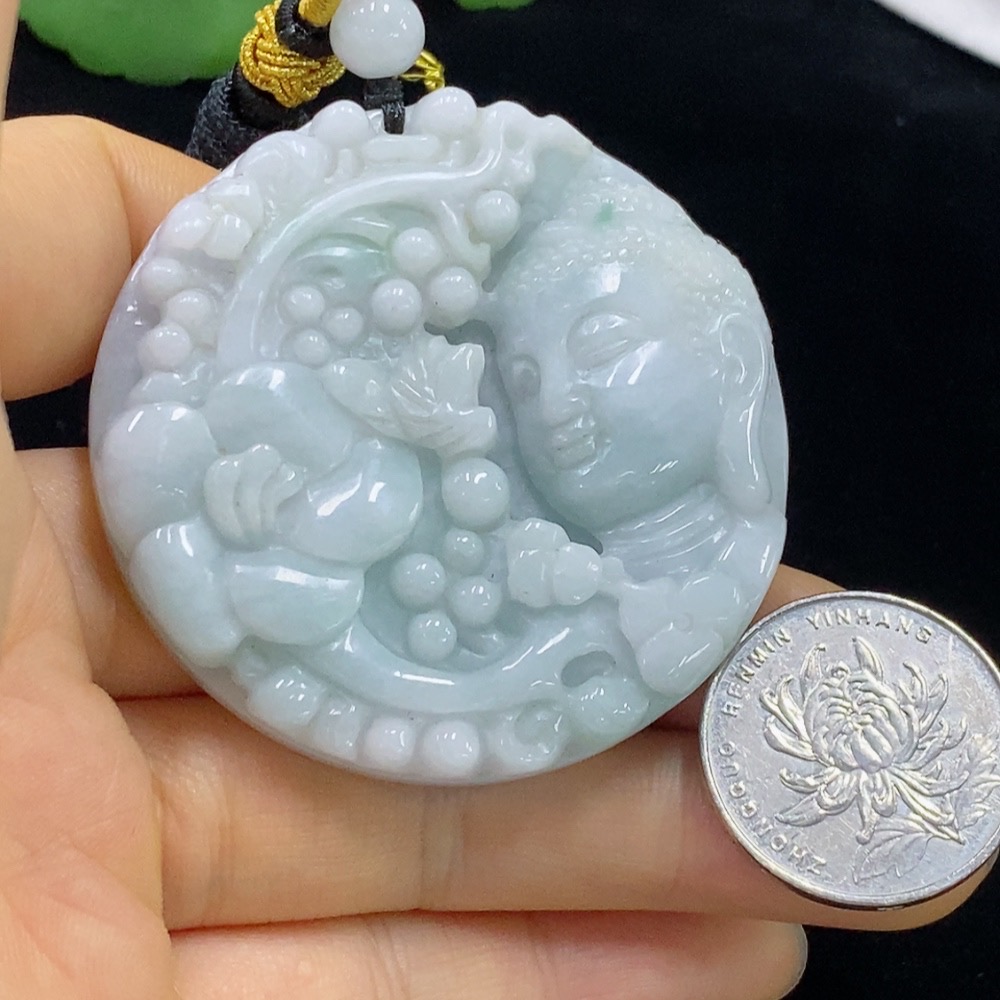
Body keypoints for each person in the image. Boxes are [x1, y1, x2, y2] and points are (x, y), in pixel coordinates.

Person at [0, 1, 992, 997]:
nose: (553, 403)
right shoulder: (479, 552)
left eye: (601, 343)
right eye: (518, 377)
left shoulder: (645, 607)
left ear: (730, 354)